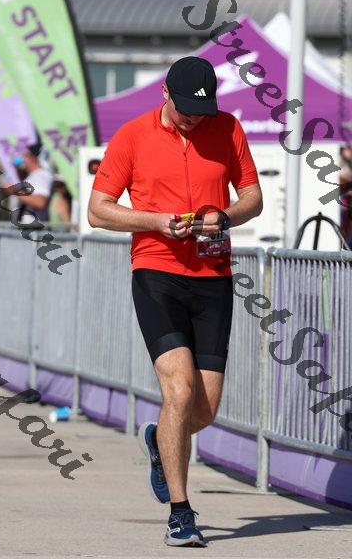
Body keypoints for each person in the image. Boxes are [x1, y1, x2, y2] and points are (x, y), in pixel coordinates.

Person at [88, 56, 262, 548]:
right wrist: (155, 221)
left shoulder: (227, 128)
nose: (193, 120)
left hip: (213, 276)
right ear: (165, 94)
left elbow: (252, 197)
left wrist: (224, 217)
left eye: (201, 112)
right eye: (185, 110)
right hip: (156, 272)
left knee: (202, 412)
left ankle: (156, 440)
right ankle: (181, 514)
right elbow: (98, 211)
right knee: (179, 392)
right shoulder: (132, 135)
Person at [5, 142, 53, 225]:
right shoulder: (34, 175)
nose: (22, 158)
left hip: (34, 230)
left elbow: (40, 202)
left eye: (25, 155)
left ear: (32, 157)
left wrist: (14, 191)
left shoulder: (41, 176)